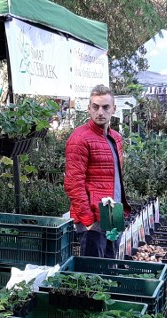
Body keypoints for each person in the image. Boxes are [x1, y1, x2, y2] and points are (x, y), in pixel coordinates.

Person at [64, 84, 130, 258]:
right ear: (89, 109)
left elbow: (115, 178)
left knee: (110, 267)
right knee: (92, 275)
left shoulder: (116, 137)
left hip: (113, 213)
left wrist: (119, 212)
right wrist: (87, 221)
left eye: (105, 107)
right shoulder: (80, 138)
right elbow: (73, 183)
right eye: (95, 107)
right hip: (93, 218)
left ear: (114, 109)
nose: (100, 112)